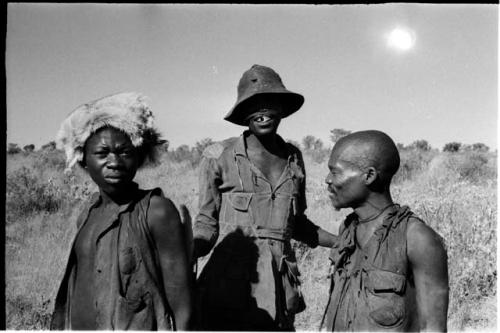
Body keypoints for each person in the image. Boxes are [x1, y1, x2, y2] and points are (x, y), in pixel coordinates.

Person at [192, 64, 337, 330]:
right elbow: (206, 222)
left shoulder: (294, 158)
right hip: (229, 284)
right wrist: (186, 252)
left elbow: (298, 224)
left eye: (270, 102)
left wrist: (341, 243)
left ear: (282, 108)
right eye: (253, 104)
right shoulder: (217, 156)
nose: (262, 112)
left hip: (281, 287)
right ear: (243, 112)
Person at [51, 92, 193, 330]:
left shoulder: (156, 211)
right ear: (84, 160)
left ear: (139, 158)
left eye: (125, 152)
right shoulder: (87, 213)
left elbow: (182, 301)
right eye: (102, 153)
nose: (114, 162)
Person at [321, 130, 449, 332]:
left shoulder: (417, 238)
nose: (328, 180)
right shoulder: (348, 229)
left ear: (369, 176)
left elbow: (432, 327)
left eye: (335, 172)